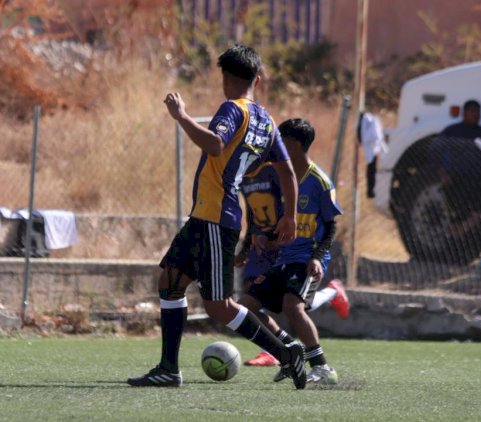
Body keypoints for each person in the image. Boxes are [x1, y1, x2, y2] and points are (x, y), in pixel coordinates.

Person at [126, 44, 307, 389]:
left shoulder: (233, 109)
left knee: (220, 307)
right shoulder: (267, 122)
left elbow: (214, 145)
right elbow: (287, 172)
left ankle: (285, 353)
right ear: (257, 79)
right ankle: (168, 368)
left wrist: (181, 116)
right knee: (170, 281)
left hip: (216, 216)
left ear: (225, 79)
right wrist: (290, 216)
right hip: (208, 216)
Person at [238, 118, 343, 385]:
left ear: (294, 145)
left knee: (292, 306)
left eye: (280, 141)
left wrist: (317, 258)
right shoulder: (284, 178)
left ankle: (322, 367)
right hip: (284, 256)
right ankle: (288, 350)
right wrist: (265, 238)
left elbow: (331, 226)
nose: (275, 146)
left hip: (306, 258)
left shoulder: (320, 181)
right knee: (247, 306)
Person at [429, 100, 481, 252]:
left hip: (477, 179)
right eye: (472, 111)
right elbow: (434, 150)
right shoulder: (453, 131)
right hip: (455, 179)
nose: (476, 115)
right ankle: (452, 246)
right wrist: (442, 172)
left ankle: (463, 234)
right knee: (455, 214)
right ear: (464, 113)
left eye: (478, 112)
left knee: (480, 211)